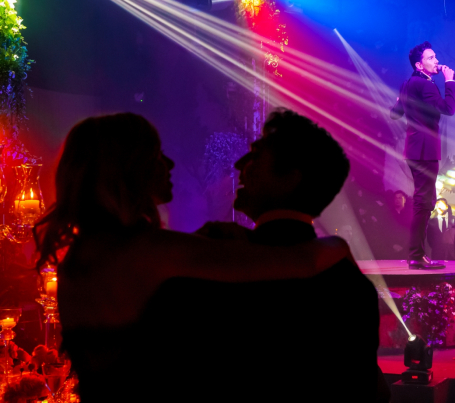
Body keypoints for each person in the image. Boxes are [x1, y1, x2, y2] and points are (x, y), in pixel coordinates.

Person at [34, 113, 365, 402]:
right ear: (128, 169)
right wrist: (339, 246)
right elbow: (301, 263)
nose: (170, 163)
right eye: (155, 154)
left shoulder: (90, 251)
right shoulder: (153, 250)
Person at [162, 109, 385, 402]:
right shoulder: (352, 284)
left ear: (290, 178)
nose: (241, 164)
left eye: (256, 155)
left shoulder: (221, 265)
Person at [390, 41, 455, 269]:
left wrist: (403, 98)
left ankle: (417, 254)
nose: (436, 61)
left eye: (435, 57)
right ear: (420, 64)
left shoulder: (407, 84)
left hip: (414, 148)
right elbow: (448, 109)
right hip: (426, 149)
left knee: (426, 201)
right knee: (423, 202)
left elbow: (395, 114)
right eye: (431, 58)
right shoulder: (427, 85)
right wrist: (449, 82)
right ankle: (416, 255)